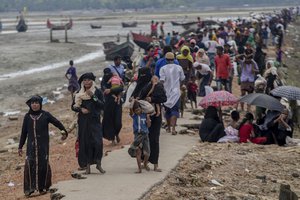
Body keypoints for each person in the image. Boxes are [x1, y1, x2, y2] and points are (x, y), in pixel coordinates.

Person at [18, 95, 68, 197]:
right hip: (31, 146)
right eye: (33, 103)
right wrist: (20, 146)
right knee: (30, 163)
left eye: (36, 103)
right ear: (30, 105)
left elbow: (57, 122)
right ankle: (29, 189)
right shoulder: (27, 117)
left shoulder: (45, 115)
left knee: (43, 164)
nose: (34, 105)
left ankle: (42, 187)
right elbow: (24, 133)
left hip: (43, 146)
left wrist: (64, 132)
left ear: (40, 104)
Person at [72, 72, 105, 174]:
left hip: (94, 121)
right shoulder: (78, 93)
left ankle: (98, 164)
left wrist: (93, 97)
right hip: (83, 121)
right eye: (85, 80)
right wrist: (81, 109)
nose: (86, 82)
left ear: (92, 81)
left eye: (88, 80)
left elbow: (102, 105)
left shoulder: (97, 92)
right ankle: (87, 167)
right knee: (85, 143)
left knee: (98, 142)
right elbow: (73, 106)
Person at [160, 52, 185, 135]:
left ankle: (168, 128)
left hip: (166, 93)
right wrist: (179, 87)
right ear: (174, 59)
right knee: (175, 110)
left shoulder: (163, 68)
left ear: (166, 60)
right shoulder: (179, 68)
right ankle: (174, 129)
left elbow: (162, 81)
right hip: (176, 93)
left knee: (167, 110)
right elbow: (182, 79)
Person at [130, 100, 151, 173]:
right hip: (137, 135)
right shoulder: (134, 116)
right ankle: (139, 169)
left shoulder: (145, 115)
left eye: (139, 109)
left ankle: (145, 163)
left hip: (145, 134)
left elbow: (148, 125)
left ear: (141, 109)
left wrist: (148, 119)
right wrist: (133, 101)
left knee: (147, 152)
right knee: (138, 152)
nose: (137, 111)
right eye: (136, 110)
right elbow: (130, 109)